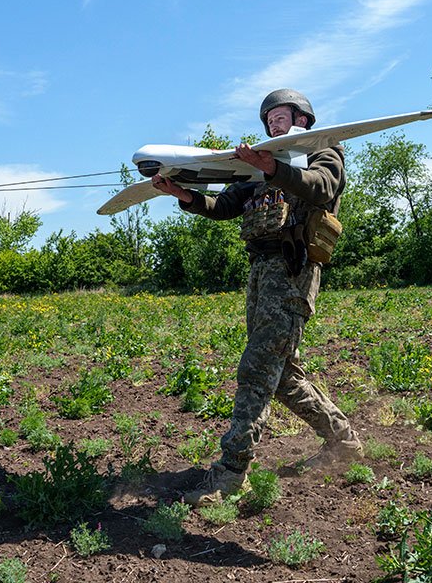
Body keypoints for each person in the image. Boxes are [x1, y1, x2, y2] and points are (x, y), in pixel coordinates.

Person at [152, 88, 364, 506]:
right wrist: (186, 196)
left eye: (280, 114)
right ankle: (344, 442)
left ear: (302, 117)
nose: (273, 122)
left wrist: (273, 170)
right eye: (268, 117)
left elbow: (321, 188)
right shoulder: (260, 164)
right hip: (260, 273)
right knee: (282, 375)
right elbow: (226, 204)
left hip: (292, 269)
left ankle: (232, 472)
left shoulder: (324, 151)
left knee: (257, 367)